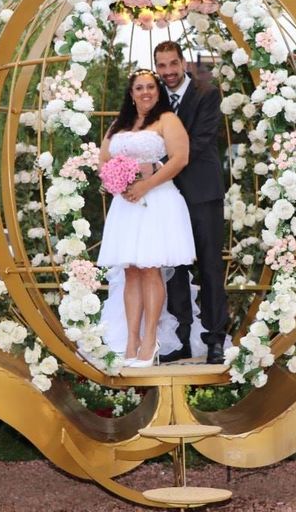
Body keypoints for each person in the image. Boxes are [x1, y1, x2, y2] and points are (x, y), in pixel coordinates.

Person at [96, 69, 196, 368]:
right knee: (131, 271)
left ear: (158, 90)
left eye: (151, 87)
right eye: (139, 88)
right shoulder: (119, 124)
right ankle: (131, 340)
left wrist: (145, 185)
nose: (145, 92)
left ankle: (150, 340)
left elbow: (180, 158)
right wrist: (117, 181)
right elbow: (104, 159)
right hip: (126, 204)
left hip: (156, 200)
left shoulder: (168, 119)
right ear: (131, 93)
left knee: (150, 268)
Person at [152, 41, 228, 365]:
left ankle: (215, 340)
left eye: (172, 64)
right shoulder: (153, 95)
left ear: (183, 62)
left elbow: (199, 142)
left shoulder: (207, 94)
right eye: (162, 66)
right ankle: (182, 338)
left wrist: (157, 166)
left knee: (209, 266)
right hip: (168, 197)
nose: (168, 72)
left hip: (202, 193)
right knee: (176, 269)